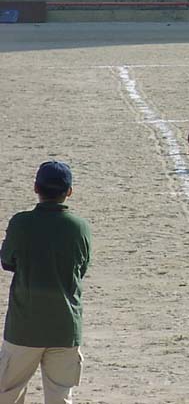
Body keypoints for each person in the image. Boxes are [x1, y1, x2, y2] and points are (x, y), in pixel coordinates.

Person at [0, 161, 91, 403]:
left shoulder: (21, 223)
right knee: (60, 396)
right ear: (69, 191)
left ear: (36, 188)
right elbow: (81, 269)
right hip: (65, 327)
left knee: (8, 393)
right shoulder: (79, 227)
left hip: (24, 326)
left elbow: (7, 261)